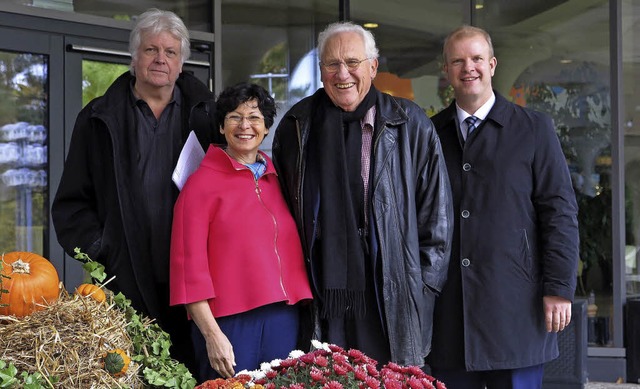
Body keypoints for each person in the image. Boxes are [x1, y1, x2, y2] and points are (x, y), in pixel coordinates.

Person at [272, 21, 453, 367]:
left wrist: (420, 292)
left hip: (391, 293)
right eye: (332, 64)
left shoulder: (410, 124)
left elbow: (437, 222)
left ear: (373, 66)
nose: (343, 74)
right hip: (322, 293)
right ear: (321, 69)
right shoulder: (296, 126)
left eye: (353, 62)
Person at [51, 8, 220, 371]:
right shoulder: (97, 118)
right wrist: (105, 249)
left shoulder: (209, 117)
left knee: (195, 372)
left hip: (196, 279)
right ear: (134, 57)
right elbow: (71, 204)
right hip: (125, 277)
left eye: (170, 52)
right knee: (133, 371)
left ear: (181, 62)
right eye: (151, 50)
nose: (160, 59)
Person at [427, 25, 580, 388]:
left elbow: (559, 212)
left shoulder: (533, 129)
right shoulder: (429, 134)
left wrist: (559, 288)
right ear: (446, 71)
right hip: (450, 316)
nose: (469, 68)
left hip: (516, 312)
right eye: (458, 61)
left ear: (492, 64)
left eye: (477, 58)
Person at [169, 82, 313, 383]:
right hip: (229, 325)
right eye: (234, 116)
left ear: (266, 127)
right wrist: (212, 336)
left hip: (283, 318)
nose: (244, 125)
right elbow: (188, 275)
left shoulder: (279, 180)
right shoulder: (200, 185)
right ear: (221, 126)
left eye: (254, 117)